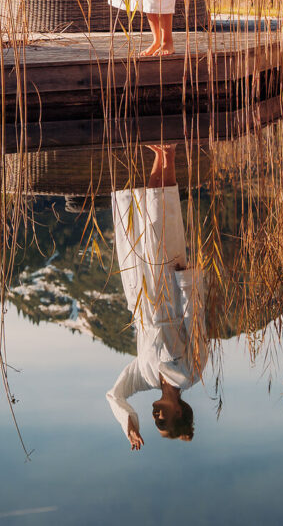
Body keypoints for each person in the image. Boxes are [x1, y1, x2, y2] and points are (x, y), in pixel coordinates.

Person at [106, 144, 206, 449]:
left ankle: (160, 154)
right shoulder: (190, 372)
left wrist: (130, 424)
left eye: (155, 425)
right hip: (167, 286)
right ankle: (169, 153)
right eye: (163, 422)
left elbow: (115, 395)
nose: (155, 419)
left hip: (139, 291)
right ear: (179, 411)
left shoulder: (146, 375)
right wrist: (186, 280)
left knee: (141, 221)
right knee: (163, 216)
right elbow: (195, 322)